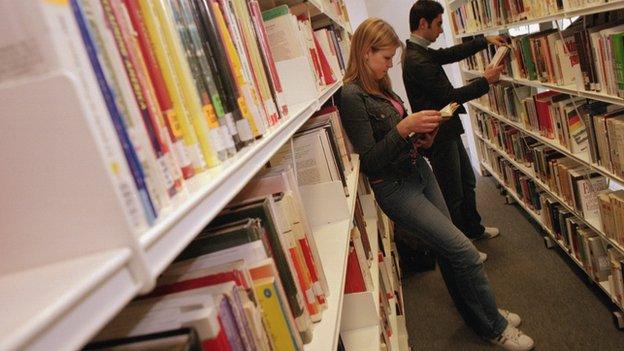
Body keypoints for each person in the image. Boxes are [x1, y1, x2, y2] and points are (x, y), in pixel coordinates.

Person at [338, 17, 534, 350]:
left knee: (450, 251)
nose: (388, 66)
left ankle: (480, 314)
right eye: (385, 58)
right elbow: (370, 161)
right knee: (465, 252)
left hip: (418, 171)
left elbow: (397, 137)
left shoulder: (380, 86)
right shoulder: (351, 95)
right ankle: (494, 326)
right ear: (367, 52)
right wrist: (404, 129)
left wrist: (419, 138)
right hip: (396, 188)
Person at [403, 0, 505, 241]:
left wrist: (484, 41)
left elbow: (448, 54)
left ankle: (474, 230)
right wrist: (485, 80)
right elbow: (451, 97)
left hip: (446, 128)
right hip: (437, 135)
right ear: (423, 23)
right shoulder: (417, 60)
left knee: (467, 182)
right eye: (438, 24)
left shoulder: (420, 51)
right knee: (452, 193)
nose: (441, 30)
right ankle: (462, 245)